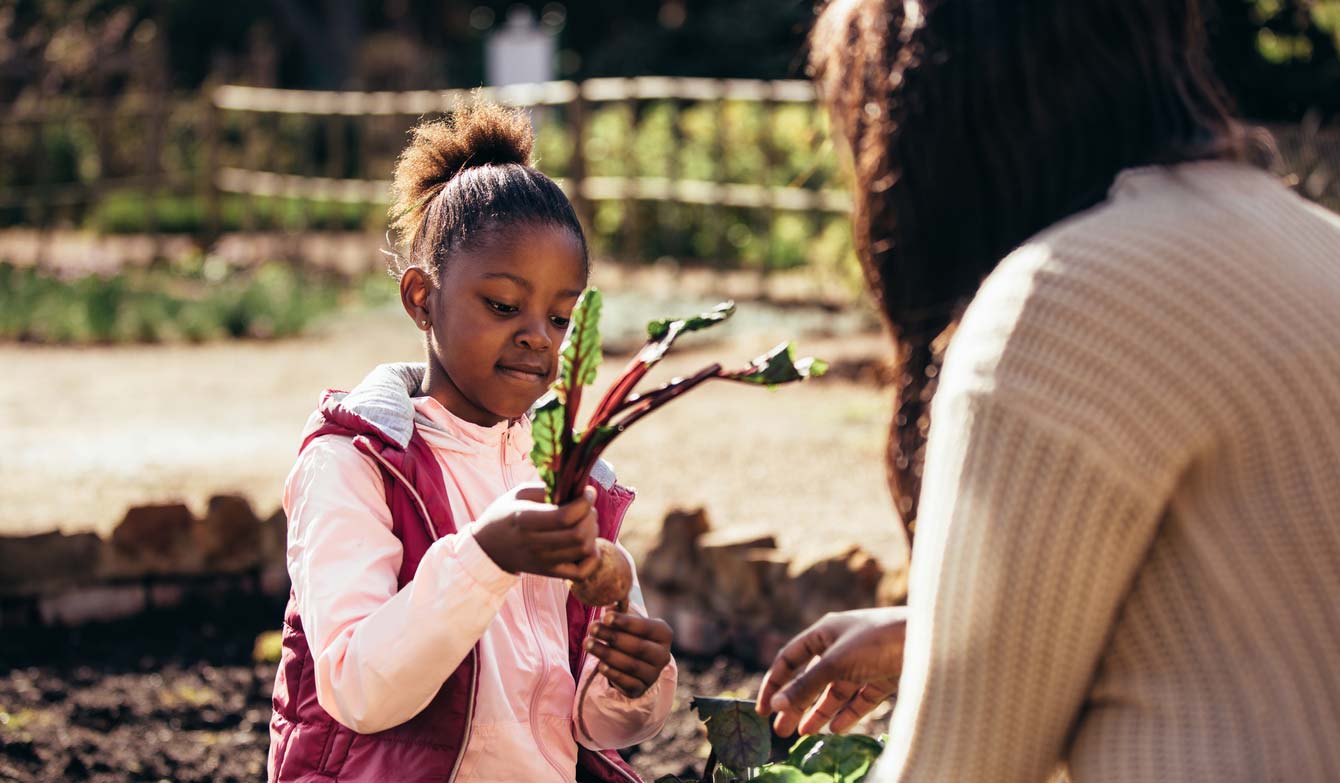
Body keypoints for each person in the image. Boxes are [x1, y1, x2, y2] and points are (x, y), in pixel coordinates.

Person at [757, 1, 1340, 781]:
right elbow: (1262, 624)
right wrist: (938, 632)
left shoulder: (1059, 303)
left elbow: (958, 771)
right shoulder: (1315, 240)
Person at [267, 101, 676, 783]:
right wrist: (487, 554)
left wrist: (632, 676)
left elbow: (589, 724)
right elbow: (358, 688)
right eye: (503, 305)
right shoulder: (353, 464)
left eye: (559, 315)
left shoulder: (570, 479)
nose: (537, 336)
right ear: (421, 298)